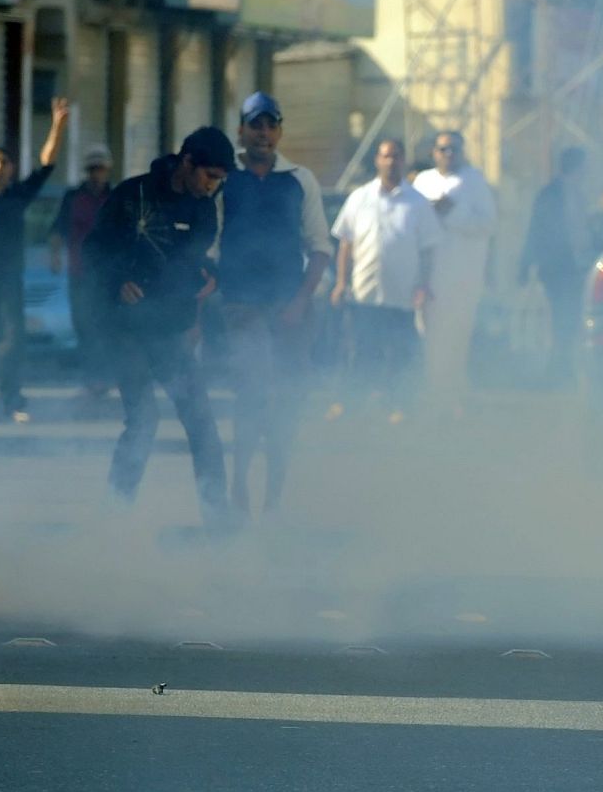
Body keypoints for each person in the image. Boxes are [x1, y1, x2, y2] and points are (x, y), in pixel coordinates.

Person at [84, 127, 236, 534]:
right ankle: (114, 520)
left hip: (171, 329)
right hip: (125, 329)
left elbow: (191, 260)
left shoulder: (205, 208)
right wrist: (119, 281)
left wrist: (207, 278)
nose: (212, 187)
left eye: (219, 180)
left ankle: (219, 526)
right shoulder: (132, 194)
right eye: (209, 177)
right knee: (144, 421)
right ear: (187, 163)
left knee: (201, 422)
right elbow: (94, 250)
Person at [218, 91, 334, 518]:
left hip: (290, 309)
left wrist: (300, 301)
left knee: (286, 404)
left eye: (270, 125)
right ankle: (240, 484)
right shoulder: (226, 178)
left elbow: (320, 247)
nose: (263, 134)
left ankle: (274, 500)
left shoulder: (299, 179)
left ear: (280, 131)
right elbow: (209, 246)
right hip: (241, 306)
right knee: (250, 396)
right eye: (255, 125)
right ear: (241, 131)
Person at [0, 97, 69, 424]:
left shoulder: (18, 195)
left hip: (10, 280)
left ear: (11, 169)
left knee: (12, 341)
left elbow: (46, 165)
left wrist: (57, 126)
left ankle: (12, 400)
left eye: (4, 162)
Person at [329, 138, 441, 420]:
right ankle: (349, 403)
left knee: (400, 352)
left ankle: (398, 405)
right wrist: (341, 282)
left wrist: (423, 285)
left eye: (397, 156)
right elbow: (346, 244)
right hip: (365, 291)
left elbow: (428, 250)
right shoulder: (360, 198)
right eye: (386, 156)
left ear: (404, 161)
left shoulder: (417, 203)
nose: (391, 162)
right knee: (360, 350)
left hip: (402, 293)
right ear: (377, 160)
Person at [411, 131, 497, 407]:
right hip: (427, 273)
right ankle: (431, 390)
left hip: (462, 274)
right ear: (433, 152)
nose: (449, 154)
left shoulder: (474, 180)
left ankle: (454, 392)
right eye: (443, 149)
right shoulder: (422, 181)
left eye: (454, 149)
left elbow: (487, 224)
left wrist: (452, 210)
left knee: (457, 333)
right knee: (426, 332)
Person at [49, 145, 117, 399]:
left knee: (105, 326)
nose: (96, 173)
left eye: (100, 168)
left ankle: (106, 379)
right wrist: (55, 256)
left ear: (107, 170)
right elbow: (58, 229)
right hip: (80, 272)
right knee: (84, 326)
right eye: (92, 169)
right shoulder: (73, 197)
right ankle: (91, 380)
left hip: (109, 274)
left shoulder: (115, 196)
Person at [519, 146, 591, 385]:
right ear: (578, 166)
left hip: (575, 266)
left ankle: (563, 366)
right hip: (557, 267)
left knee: (569, 317)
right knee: (561, 317)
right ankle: (557, 369)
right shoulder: (551, 194)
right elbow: (536, 230)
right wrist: (525, 264)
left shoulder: (578, 194)